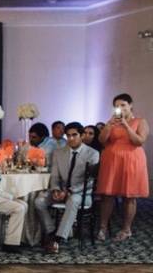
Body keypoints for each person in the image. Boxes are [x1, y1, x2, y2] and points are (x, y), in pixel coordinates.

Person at [32, 122, 100, 253]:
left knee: (73, 200)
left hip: (81, 193)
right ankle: (51, 231)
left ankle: (58, 239)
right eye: (68, 136)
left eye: (74, 135)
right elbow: (55, 176)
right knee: (38, 201)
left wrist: (69, 191)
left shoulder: (93, 154)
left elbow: (90, 181)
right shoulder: (59, 153)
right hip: (61, 191)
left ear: (82, 136)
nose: (71, 138)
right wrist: (56, 189)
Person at [96, 93, 149, 242]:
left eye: (123, 105)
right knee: (107, 195)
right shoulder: (111, 122)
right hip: (112, 161)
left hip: (132, 161)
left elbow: (139, 141)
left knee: (129, 196)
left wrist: (126, 125)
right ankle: (102, 228)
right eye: (117, 106)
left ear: (130, 105)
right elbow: (101, 140)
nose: (120, 108)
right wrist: (109, 125)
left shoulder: (140, 121)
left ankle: (126, 229)